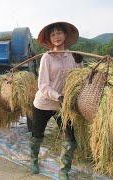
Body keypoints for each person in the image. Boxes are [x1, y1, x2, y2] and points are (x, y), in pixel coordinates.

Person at [30, 22, 82, 180]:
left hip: (63, 105)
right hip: (44, 103)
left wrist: (80, 63)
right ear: (50, 39)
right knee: (37, 135)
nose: (57, 37)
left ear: (65, 36)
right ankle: (33, 160)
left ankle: (64, 170)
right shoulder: (47, 57)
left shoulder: (71, 56)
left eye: (59, 33)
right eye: (53, 34)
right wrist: (58, 96)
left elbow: (78, 78)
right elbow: (43, 85)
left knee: (69, 138)